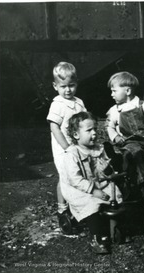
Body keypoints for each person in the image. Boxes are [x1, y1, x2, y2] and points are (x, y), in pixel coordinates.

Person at [61, 111, 123, 254]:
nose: (94, 133)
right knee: (91, 204)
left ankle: (115, 227)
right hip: (78, 188)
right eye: (89, 130)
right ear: (76, 135)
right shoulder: (72, 154)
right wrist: (93, 191)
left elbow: (103, 169)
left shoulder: (98, 149)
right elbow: (74, 179)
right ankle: (96, 237)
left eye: (95, 129)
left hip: (98, 183)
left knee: (115, 196)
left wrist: (108, 169)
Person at [46, 62, 87, 226]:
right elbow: (54, 127)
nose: (68, 90)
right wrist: (66, 147)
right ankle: (62, 208)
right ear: (55, 86)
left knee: (78, 175)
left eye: (71, 85)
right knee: (65, 177)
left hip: (77, 147)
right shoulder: (58, 104)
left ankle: (76, 205)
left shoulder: (79, 102)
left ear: (76, 83)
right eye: (63, 86)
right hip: (64, 149)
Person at [105, 71, 144, 196]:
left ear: (127, 91)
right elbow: (109, 126)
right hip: (127, 141)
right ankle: (129, 182)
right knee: (130, 152)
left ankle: (143, 184)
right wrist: (115, 136)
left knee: (134, 152)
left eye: (114, 91)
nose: (111, 95)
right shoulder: (115, 110)